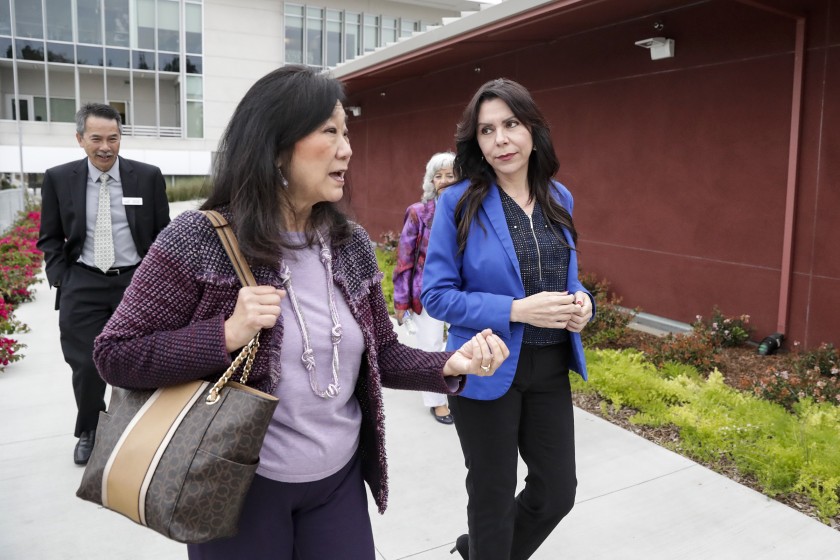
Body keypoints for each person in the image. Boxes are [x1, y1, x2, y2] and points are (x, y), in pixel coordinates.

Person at [92, 65, 509, 559]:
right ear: (274, 145)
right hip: (236, 487)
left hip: (337, 483)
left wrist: (449, 363)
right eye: (329, 131)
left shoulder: (348, 243)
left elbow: (382, 351)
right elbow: (115, 354)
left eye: (346, 132)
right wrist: (224, 334)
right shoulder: (199, 239)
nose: (347, 148)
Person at [421, 78, 595, 559]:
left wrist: (584, 306)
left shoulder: (560, 197)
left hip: (550, 365)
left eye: (511, 125)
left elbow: (570, 279)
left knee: (557, 492)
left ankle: (477, 552)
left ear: (532, 130)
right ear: (475, 141)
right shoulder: (458, 201)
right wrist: (516, 310)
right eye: (486, 130)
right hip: (485, 364)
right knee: (492, 497)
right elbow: (435, 295)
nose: (500, 139)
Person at [37, 103, 170, 466]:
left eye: (113, 138)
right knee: (85, 364)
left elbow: (162, 235)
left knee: (143, 360)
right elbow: (49, 236)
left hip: (135, 283)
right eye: (96, 138)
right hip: (83, 282)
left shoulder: (147, 176)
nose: (105, 147)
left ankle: (140, 429)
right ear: (80, 139)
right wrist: (62, 277)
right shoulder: (59, 178)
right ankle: (90, 429)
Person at [392, 152, 458, 424]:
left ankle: (456, 389)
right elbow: (405, 260)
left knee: (455, 343)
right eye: (437, 175)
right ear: (430, 181)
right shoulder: (419, 213)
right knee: (430, 345)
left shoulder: (467, 211)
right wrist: (401, 302)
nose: (443, 180)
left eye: (449, 175)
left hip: (460, 291)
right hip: (427, 291)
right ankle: (437, 401)